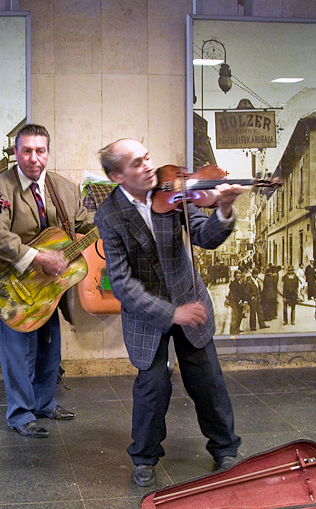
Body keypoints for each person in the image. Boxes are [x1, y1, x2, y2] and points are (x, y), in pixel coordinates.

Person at [94, 138, 242, 487]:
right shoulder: (110, 215)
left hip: (189, 296)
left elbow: (204, 236)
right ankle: (144, 456)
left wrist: (223, 209)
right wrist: (170, 313)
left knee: (206, 378)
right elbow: (122, 283)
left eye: (147, 157)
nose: (148, 166)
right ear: (118, 175)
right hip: (148, 312)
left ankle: (225, 447)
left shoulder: (172, 191)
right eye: (136, 163)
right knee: (152, 384)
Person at [0, 123, 92, 438]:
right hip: (13, 282)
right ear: (16, 152)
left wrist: (119, 212)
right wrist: (41, 259)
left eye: (40, 150)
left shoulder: (64, 188)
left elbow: (84, 221)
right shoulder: (0, 187)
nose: (34, 158)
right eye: (27, 150)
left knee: (50, 348)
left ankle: (44, 403)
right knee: (18, 352)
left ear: (48, 152)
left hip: (51, 287)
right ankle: (20, 414)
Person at [226, 269, 247, 334]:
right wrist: (239, 301)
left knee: (240, 316)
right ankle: (232, 332)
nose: (239, 277)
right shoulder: (233, 284)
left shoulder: (241, 282)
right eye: (237, 276)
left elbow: (243, 292)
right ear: (235, 276)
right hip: (235, 303)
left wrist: (245, 300)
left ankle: (237, 329)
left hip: (240, 302)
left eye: (239, 276)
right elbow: (234, 295)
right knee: (235, 318)